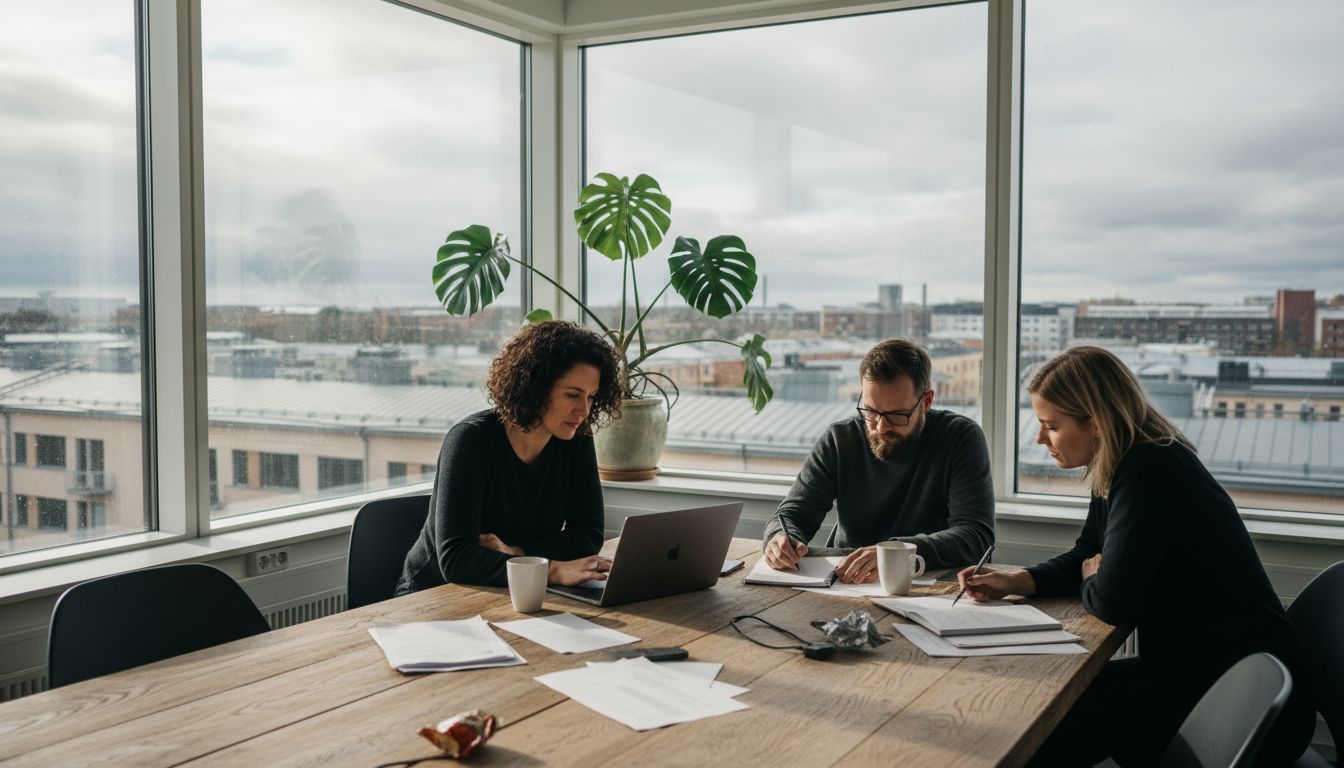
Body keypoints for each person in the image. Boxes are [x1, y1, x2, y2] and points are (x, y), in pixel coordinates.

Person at [958, 346, 1314, 766]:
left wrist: (1093, 579)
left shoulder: (1150, 470)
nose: (1039, 438)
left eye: (1050, 426)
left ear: (1095, 422)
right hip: (1200, 672)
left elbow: (1112, 602)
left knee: (1044, 728)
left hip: (1242, 701)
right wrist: (1025, 580)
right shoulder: (1123, 460)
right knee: (1044, 705)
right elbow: (1088, 554)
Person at [395, 320, 623, 594]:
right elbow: (456, 559)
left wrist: (519, 553)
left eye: (591, 397)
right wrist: (552, 569)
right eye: (572, 395)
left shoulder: (575, 441)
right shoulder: (470, 441)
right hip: (434, 595)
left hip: (516, 588)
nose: (584, 411)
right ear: (535, 387)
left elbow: (588, 534)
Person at [762, 338, 994, 583]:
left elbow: (976, 536)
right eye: (871, 411)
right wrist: (780, 539)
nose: (881, 427)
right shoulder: (841, 439)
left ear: (926, 402)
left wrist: (898, 553)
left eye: (896, 415)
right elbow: (793, 514)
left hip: (927, 586)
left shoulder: (960, 438)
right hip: (846, 582)